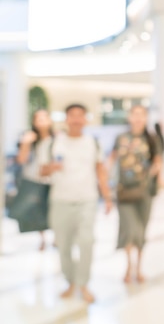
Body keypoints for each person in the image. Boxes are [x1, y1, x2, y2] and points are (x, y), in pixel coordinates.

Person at [40, 104, 113, 303]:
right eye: (72, 116)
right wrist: (51, 168)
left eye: (80, 116)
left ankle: (83, 283)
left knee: (86, 242)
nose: (76, 119)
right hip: (60, 200)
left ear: (86, 120)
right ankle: (70, 281)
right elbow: (42, 171)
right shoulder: (54, 143)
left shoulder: (93, 143)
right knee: (63, 245)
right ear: (66, 119)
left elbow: (100, 171)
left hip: (87, 200)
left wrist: (107, 197)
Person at [110, 106, 162, 284]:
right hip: (124, 191)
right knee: (130, 230)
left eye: (141, 115)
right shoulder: (121, 138)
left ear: (146, 118)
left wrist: (151, 178)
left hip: (144, 191)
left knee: (141, 231)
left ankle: (138, 267)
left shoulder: (152, 139)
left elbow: (157, 162)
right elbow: (111, 160)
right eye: (134, 114)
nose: (138, 118)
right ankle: (128, 266)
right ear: (129, 117)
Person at [14, 109, 54, 250]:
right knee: (36, 211)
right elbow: (21, 160)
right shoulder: (29, 138)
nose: (41, 122)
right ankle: (42, 238)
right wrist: (26, 143)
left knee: (53, 209)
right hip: (33, 180)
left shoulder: (56, 139)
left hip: (53, 181)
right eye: (38, 119)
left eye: (44, 118)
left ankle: (56, 236)